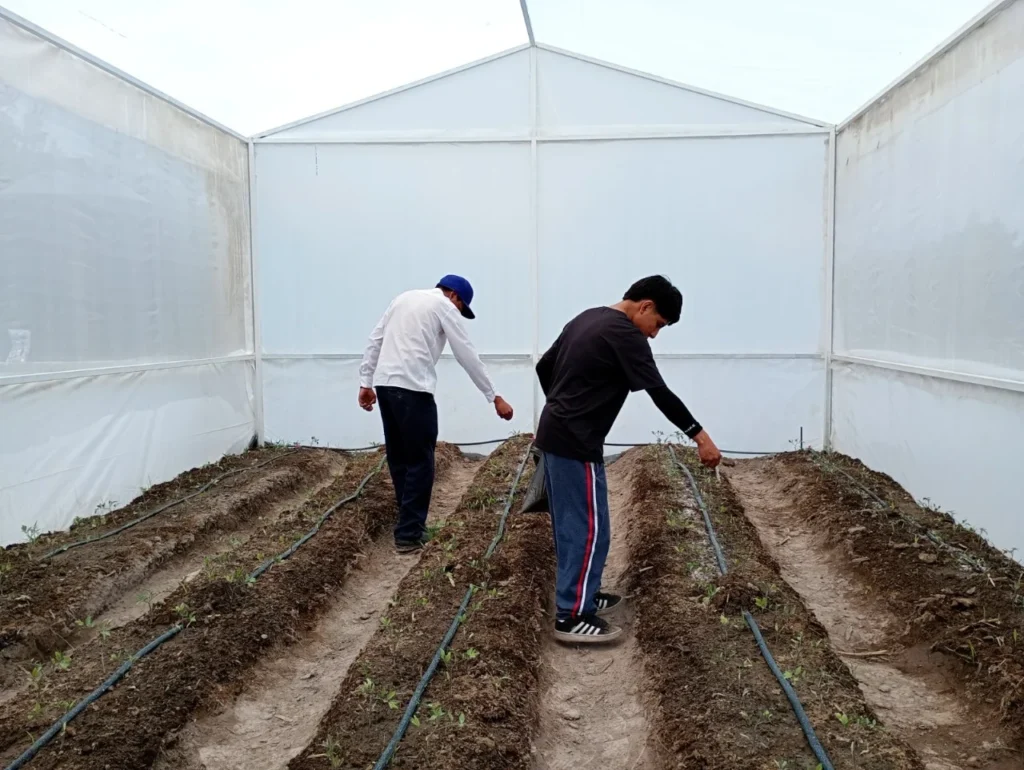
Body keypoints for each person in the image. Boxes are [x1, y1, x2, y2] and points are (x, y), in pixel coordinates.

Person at [536, 275, 722, 644]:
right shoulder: (625, 333)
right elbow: (659, 392)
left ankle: (585, 593)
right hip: (574, 441)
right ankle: (571, 615)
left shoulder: (587, 318)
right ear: (645, 306)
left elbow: (545, 366)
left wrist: (561, 405)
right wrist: (701, 437)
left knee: (585, 526)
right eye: (659, 324)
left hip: (561, 434)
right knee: (585, 530)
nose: (654, 334)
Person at [358, 275, 514, 554]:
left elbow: (375, 340)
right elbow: (466, 353)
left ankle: (407, 524)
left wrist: (365, 383)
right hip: (414, 389)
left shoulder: (403, 298)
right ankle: (409, 534)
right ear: (454, 296)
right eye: (461, 307)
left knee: (399, 458)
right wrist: (494, 396)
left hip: (386, 386)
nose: (458, 312)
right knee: (421, 460)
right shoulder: (443, 306)